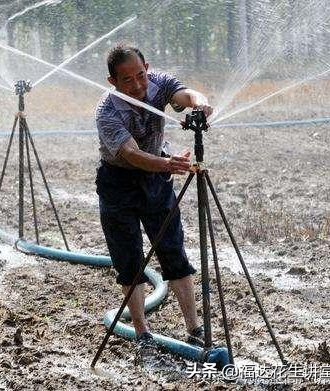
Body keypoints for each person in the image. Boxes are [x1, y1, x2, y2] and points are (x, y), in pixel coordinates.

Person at [95, 43, 213, 364]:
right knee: (129, 260)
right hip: (119, 183)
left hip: (156, 181)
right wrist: (168, 165)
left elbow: (184, 95)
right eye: (127, 80)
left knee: (174, 251)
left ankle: (193, 328)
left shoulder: (158, 83)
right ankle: (143, 334)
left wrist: (200, 104)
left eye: (141, 75)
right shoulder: (107, 112)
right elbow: (131, 154)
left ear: (148, 67)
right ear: (113, 82)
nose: (137, 85)